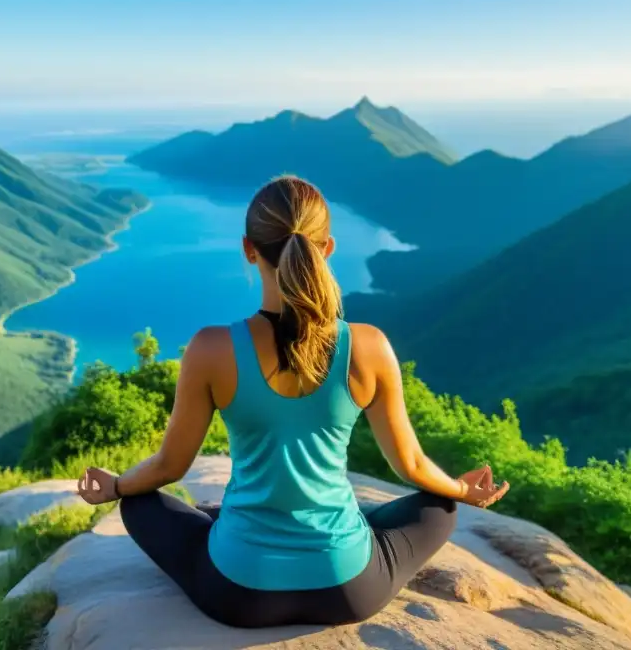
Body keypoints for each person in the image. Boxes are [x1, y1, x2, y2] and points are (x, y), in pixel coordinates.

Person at [77, 174, 509, 629]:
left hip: (239, 593)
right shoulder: (368, 346)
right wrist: (462, 491)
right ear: (327, 248)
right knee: (438, 508)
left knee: (140, 504)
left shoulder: (210, 349)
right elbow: (413, 466)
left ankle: (233, 520)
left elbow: (169, 468)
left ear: (249, 249)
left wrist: (117, 486)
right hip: (349, 591)